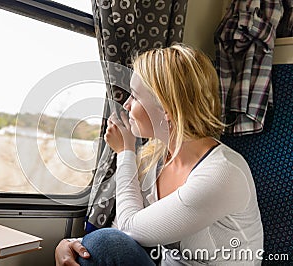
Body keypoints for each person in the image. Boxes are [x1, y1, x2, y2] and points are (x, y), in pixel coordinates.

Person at [55, 44, 263, 265]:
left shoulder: (223, 173)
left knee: (104, 243)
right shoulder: (155, 158)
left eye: (135, 97)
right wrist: (72, 243)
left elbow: (128, 230)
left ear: (166, 109)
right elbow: (121, 230)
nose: (126, 105)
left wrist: (125, 152)